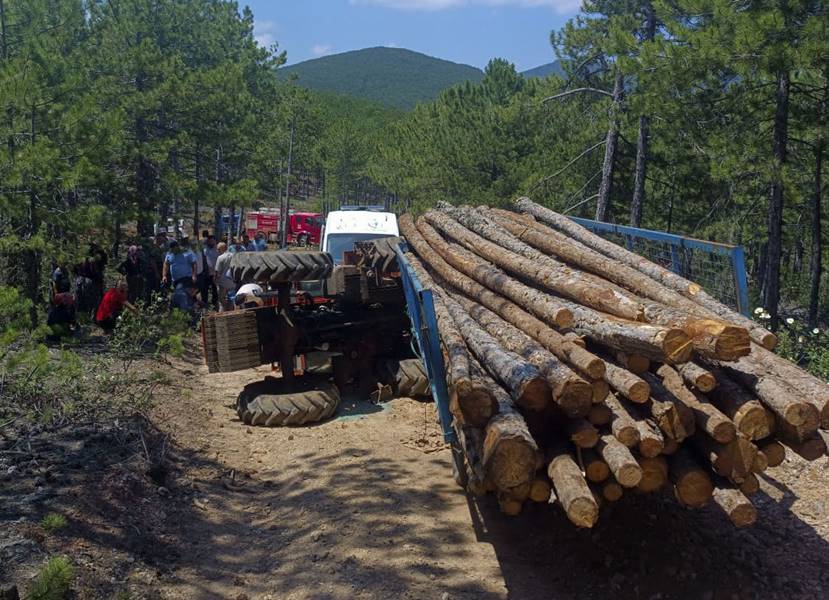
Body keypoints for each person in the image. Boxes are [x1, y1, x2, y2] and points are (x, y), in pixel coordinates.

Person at [213, 242, 236, 312]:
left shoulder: (220, 258)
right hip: (232, 282)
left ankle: (222, 315)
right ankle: (231, 313)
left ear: (222, 248)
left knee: (221, 301)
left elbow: (217, 271)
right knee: (231, 299)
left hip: (222, 283)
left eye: (218, 249)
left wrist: (215, 280)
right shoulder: (233, 255)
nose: (217, 251)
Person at [199, 234, 219, 310]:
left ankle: (215, 304)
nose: (211, 242)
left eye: (212, 240)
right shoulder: (204, 250)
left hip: (215, 273)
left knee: (215, 290)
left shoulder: (217, 249)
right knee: (204, 290)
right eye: (209, 241)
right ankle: (204, 304)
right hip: (206, 273)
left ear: (214, 241)